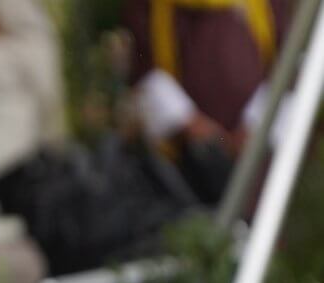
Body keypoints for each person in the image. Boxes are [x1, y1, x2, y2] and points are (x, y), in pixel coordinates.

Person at [124, 0, 293, 202]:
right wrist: (190, 122)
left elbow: (290, 59)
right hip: (185, 153)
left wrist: (256, 124)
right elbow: (142, 67)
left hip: (257, 148)